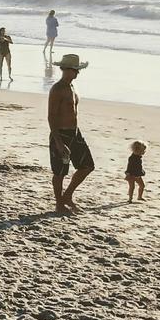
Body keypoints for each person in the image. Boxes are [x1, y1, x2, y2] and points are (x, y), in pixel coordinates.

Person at [49, 54, 93, 213]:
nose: (77, 73)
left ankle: (67, 196)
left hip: (75, 133)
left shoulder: (72, 87)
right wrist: (59, 143)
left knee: (87, 165)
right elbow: (51, 117)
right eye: (75, 70)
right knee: (60, 172)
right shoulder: (57, 88)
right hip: (60, 134)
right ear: (66, 70)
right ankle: (59, 204)